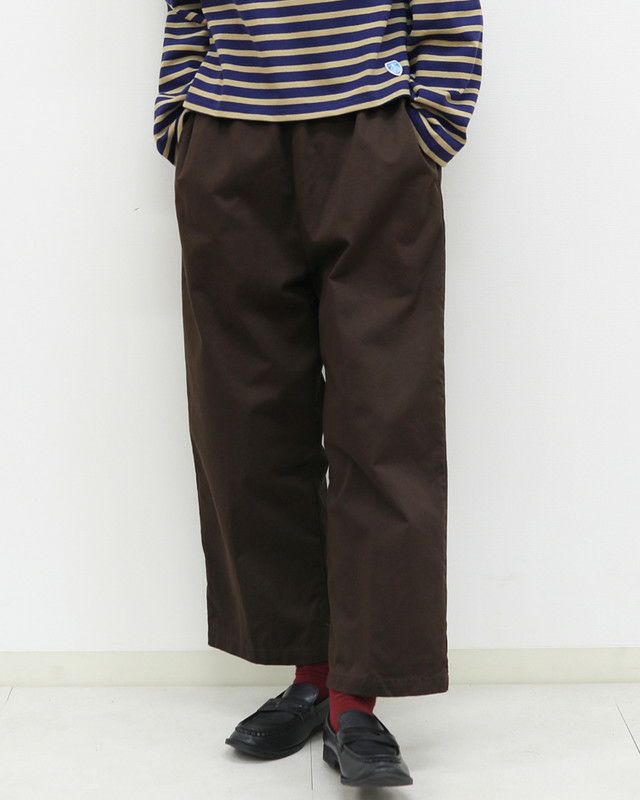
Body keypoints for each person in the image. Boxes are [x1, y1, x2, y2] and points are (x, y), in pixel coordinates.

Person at [153, 0, 482, 787]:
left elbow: (449, 17)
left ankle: (356, 699)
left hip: (373, 135)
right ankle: (312, 671)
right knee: (247, 421)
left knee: (384, 421)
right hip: (228, 141)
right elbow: (186, 13)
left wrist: (425, 130)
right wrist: (180, 121)